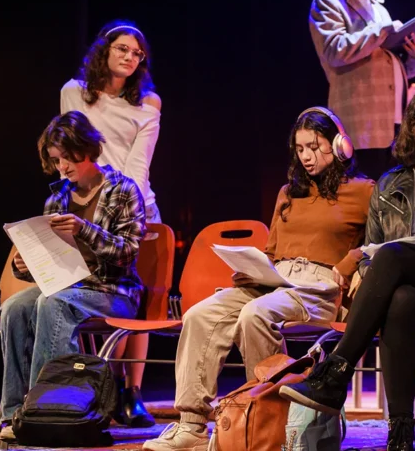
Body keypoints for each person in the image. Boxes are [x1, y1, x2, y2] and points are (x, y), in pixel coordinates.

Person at [280, 84, 415, 451]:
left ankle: (336, 370)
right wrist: (366, 269)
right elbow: (371, 251)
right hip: (409, 286)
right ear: (414, 125)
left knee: (394, 255)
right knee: (400, 300)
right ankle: (401, 435)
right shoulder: (390, 183)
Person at [142, 108, 375, 451]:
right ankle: (191, 425)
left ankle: (268, 421)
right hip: (276, 279)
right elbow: (274, 252)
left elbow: (382, 243)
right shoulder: (288, 192)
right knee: (200, 315)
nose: (307, 156)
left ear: (341, 145)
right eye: (300, 149)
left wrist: (353, 261)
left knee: (256, 315)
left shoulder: (363, 190)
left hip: (320, 285)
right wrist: (253, 269)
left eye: (315, 146)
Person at [0, 111, 146, 441]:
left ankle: (44, 413)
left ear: (88, 149)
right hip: (68, 288)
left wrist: (85, 229)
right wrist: (25, 267)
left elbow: (128, 253)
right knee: (14, 308)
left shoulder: (123, 190)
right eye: (56, 160)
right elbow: (52, 266)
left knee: (53, 304)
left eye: (68, 158)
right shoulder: (57, 199)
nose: (62, 167)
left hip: (113, 292)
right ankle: (13, 415)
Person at [61, 20, 161, 427]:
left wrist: (125, 205)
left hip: (136, 205)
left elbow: (139, 163)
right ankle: (103, 384)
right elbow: (73, 145)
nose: (130, 57)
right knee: (95, 292)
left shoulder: (148, 103)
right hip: (87, 204)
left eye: (137, 53)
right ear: (104, 50)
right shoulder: (74, 91)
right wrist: (96, 199)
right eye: (122, 48)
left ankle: (131, 392)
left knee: (142, 301)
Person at [310, 0, 415, 181]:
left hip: (393, 119)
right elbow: (335, 50)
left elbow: (391, 66)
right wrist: (382, 30)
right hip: (361, 121)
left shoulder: (378, 7)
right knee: (366, 191)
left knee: (392, 193)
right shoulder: (327, 2)